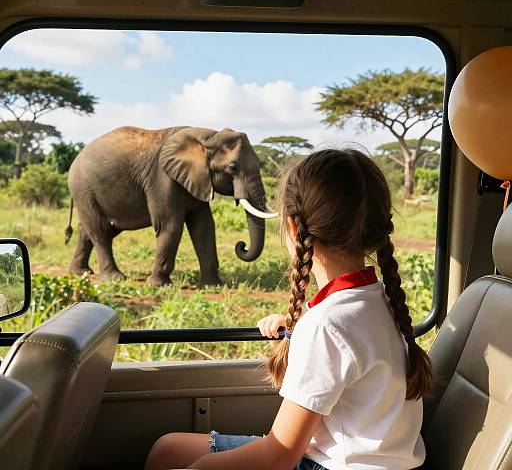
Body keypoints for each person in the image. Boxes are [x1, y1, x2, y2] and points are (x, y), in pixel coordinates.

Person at [145, 148, 432, 470]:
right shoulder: (376, 299)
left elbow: (280, 455)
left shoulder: (328, 324)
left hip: (330, 465)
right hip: (362, 459)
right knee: (169, 450)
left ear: (294, 228)